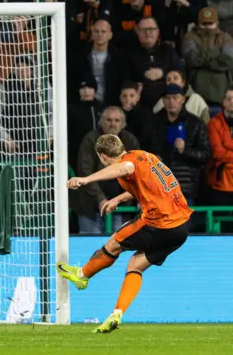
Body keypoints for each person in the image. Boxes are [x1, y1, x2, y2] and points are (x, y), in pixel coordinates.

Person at [60, 134, 191, 333]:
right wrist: (117, 200)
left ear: (103, 157)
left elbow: (124, 168)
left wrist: (86, 179)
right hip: (181, 226)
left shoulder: (127, 163)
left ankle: (82, 275)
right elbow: (144, 184)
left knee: (114, 242)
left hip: (160, 222)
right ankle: (117, 313)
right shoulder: (144, 156)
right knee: (135, 265)